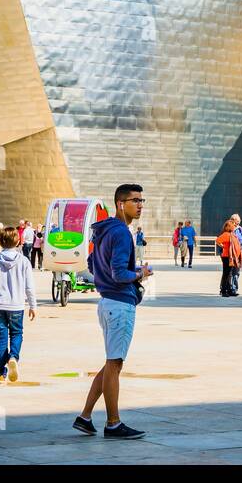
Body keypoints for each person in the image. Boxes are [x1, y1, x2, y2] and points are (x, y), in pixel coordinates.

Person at [74, 183, 153, 439]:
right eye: (135, 200)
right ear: (121, 203)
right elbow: (120, 274)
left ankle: (85, 417)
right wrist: (142, 272)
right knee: (114, 364)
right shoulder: (120, 233)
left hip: (108, 303)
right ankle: (113, 423)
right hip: (119, 304)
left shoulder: (106, 230)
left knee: (111, 363)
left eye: (142, 200)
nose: (140, 205)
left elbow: (92, 264)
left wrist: (105, 279)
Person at [0, 226, 37, 383]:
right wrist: (33, 305)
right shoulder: (24, 261)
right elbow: (29, 287)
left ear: (0, 242)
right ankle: (13, 357)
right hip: (16, 305)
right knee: (17, 333)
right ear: (18, 241)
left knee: (1, 338)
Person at [216, 219, 242, 297]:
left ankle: (229, 290)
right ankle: (223, 291)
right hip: (227, 257)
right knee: (226, 274)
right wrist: (222, 246)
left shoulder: (232, 234)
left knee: (229, 274)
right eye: (233, 225)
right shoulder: (226, 234)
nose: (235, 226)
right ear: (229, 226)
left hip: (231, 257)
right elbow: (218, 240)